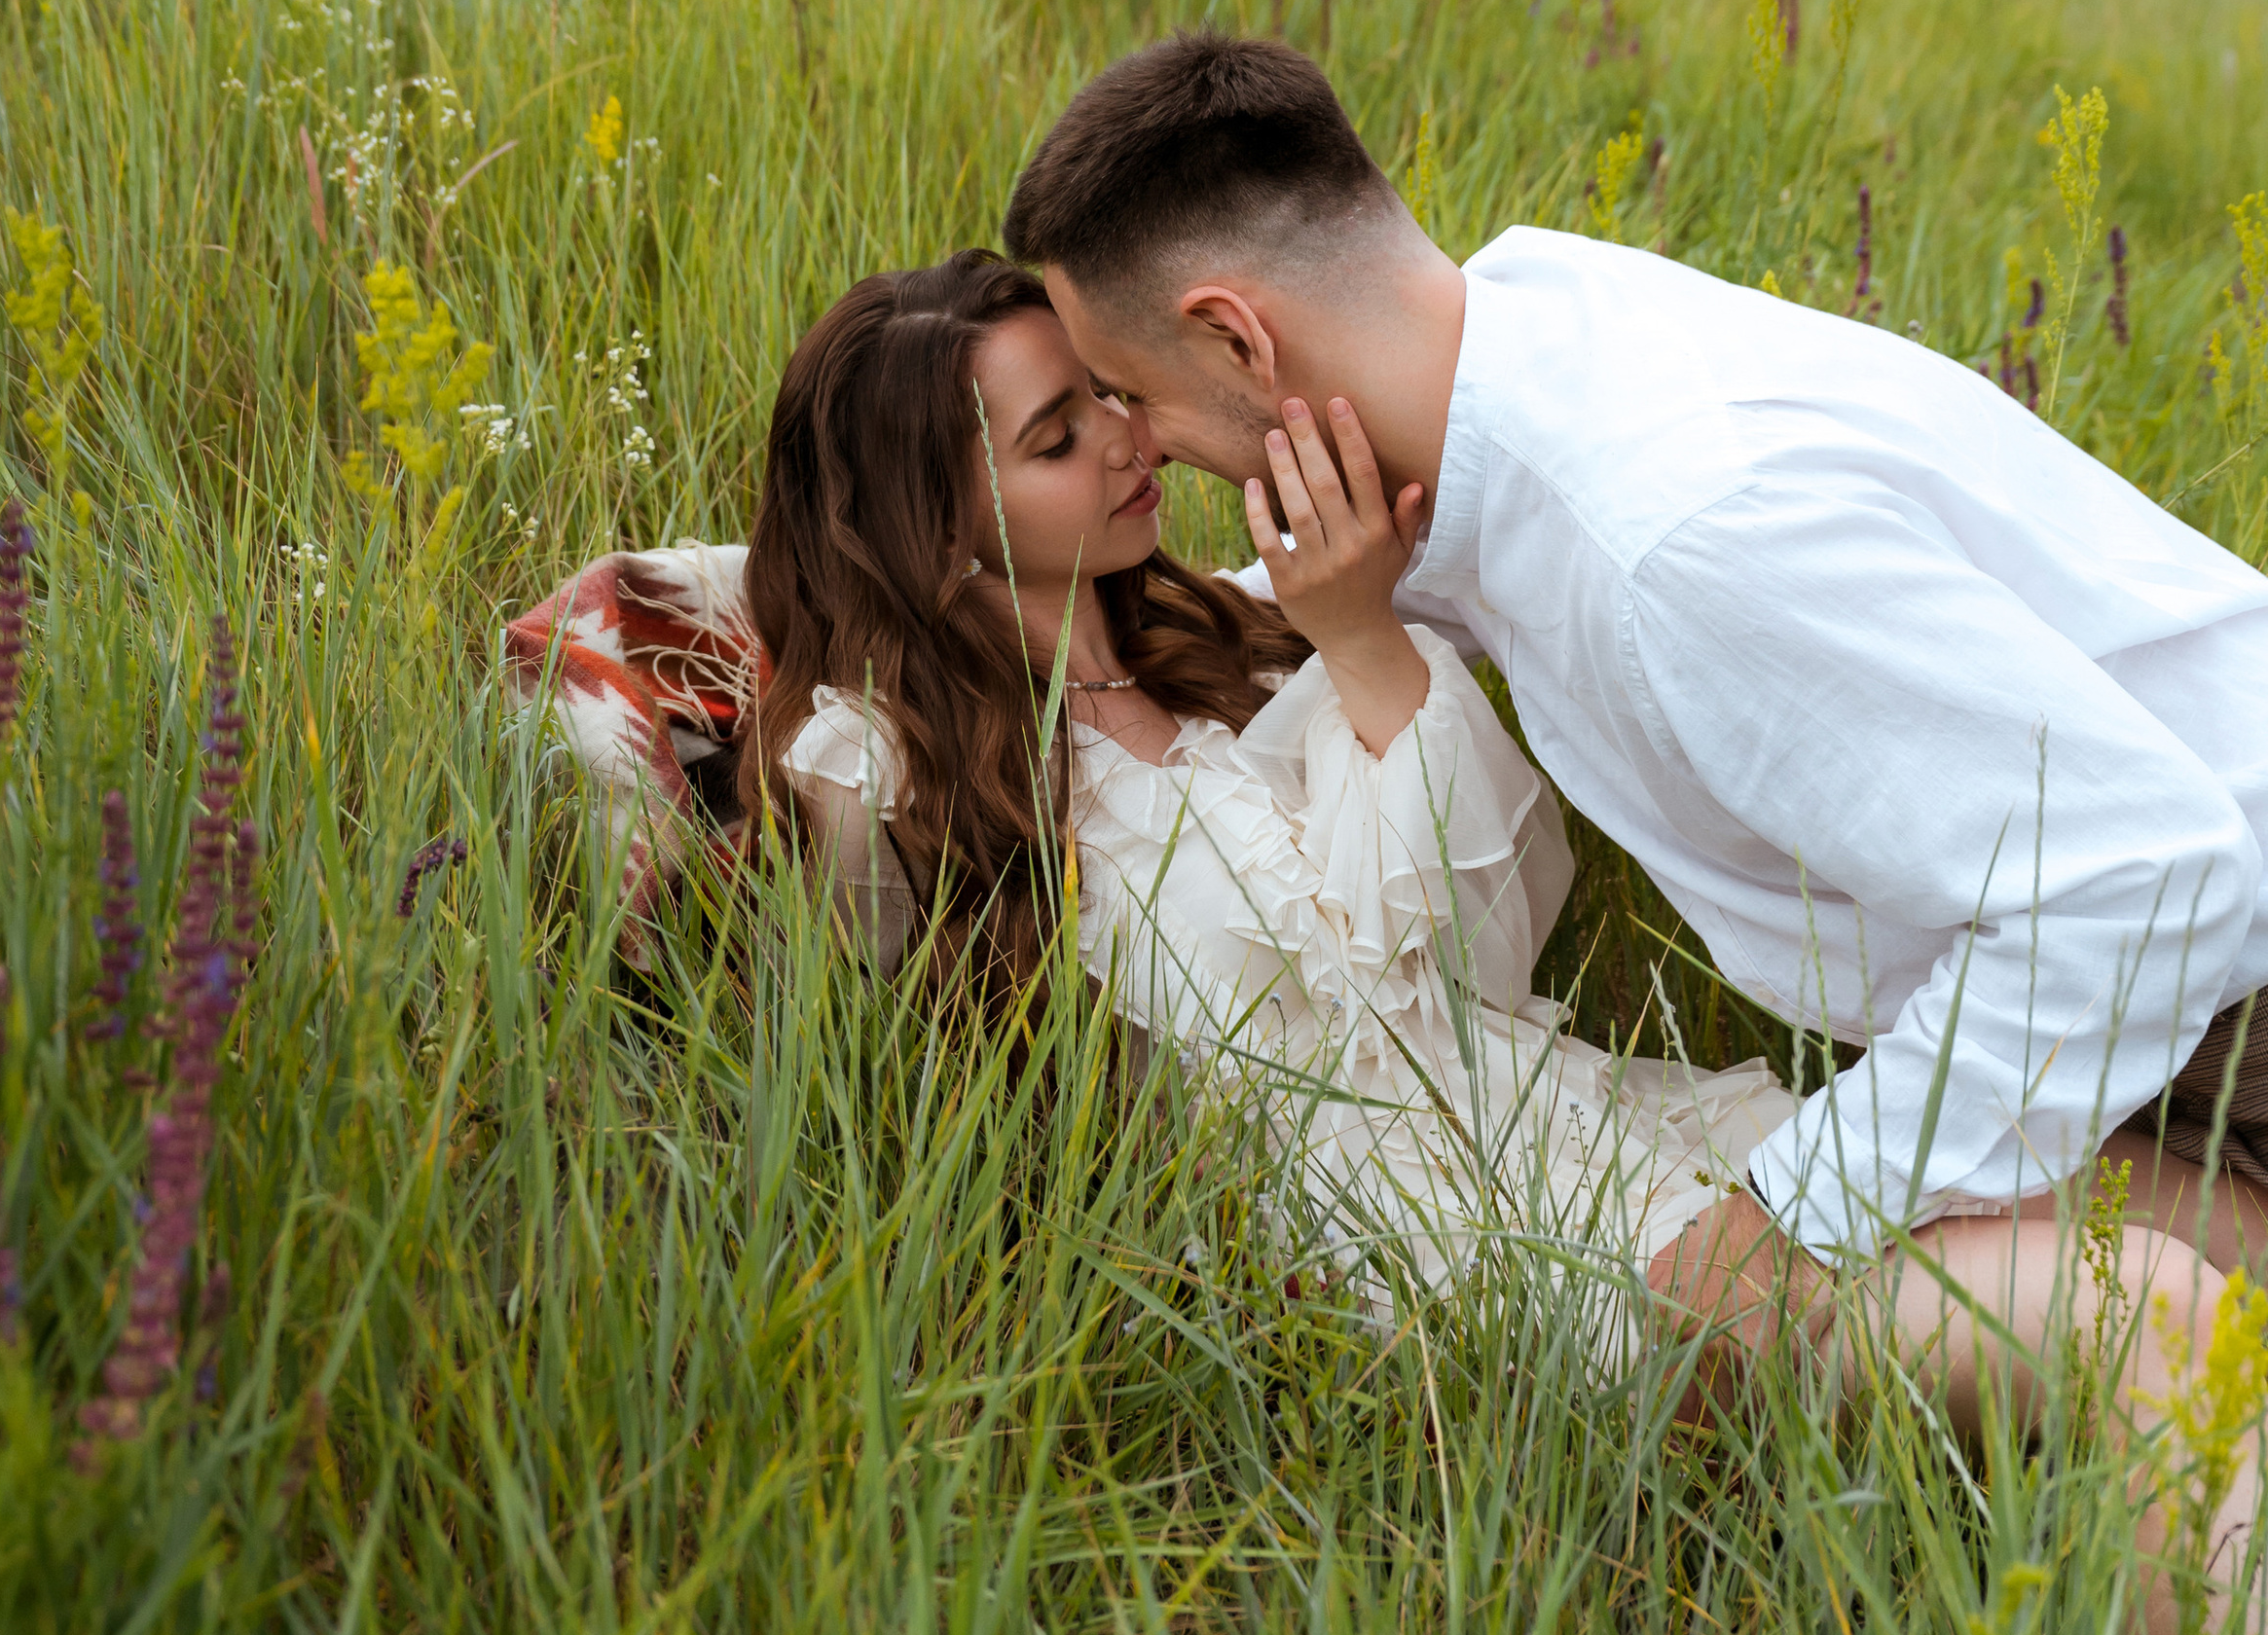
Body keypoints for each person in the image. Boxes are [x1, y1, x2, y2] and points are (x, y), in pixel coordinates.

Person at [991, 26, 2268, 1635]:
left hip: (2217, 968)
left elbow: (2147, 882)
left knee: (2180, 1355)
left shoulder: (1669, 541)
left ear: (1239, 333)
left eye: (1140, 392)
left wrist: (1787, 1220)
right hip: (2165, 1006)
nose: (1149, 444)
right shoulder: (1522, 332)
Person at [729, 248, 1802, 1364]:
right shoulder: (883, 768)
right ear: (935, 532)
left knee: (1925, 1212)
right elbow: (825, 1053)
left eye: (1104, 392)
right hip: (1383, 1260)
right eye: (1055, 438)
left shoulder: (1226, 650)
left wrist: (1358, 632)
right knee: (1848, 1316)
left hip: (1543, 1123)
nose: (1121, 436)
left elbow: (1479, 967)